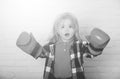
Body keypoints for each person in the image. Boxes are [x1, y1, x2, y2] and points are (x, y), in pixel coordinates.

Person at [16, 13, 110, 79]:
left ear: (75, 29)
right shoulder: (51, 46)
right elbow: (41, 53)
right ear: (57, 30)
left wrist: (97, 44)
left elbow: (91, 53)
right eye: (62, 27)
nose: (66, 30)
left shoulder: (79, 45)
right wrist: (30, 44)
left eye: (70, 26)